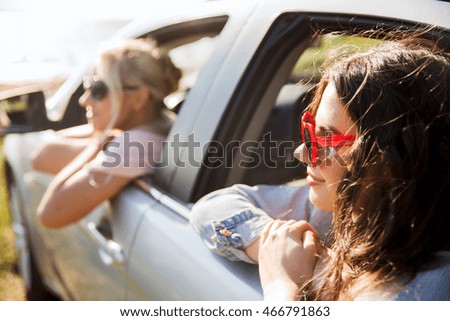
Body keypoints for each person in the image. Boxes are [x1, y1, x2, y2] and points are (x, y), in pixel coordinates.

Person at [191, 35, 450, 300]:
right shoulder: (346, 211)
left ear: (393, 156)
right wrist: (276, 245)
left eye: (326, 139)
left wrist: (283, 287)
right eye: (309, 133)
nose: (302, 153)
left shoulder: (430, 288)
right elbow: (211, 208)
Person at [32, 38, 181, 228]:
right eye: (88, 85)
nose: (84, 100)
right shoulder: (161, 125)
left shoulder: (138, 144)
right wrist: (104, 134)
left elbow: (50, 214)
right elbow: (41, 155)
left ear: (137, 98)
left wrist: (97, 145)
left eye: (97, 89)